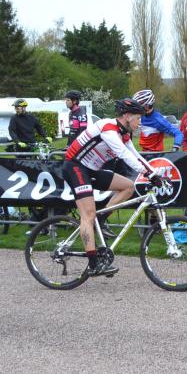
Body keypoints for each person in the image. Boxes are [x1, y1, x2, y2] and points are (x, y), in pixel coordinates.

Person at [63, 98, 165, 277]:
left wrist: (154, 173)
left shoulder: (124, 134)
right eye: (138, 118)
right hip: (75, 167)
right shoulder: (108, 128)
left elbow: (136, 155)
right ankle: (93, 264)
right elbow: (123, 154)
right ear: (127, 116)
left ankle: (101, 220)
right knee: (88, 215)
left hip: (92, 170)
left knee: (128, 187)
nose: (140, 123)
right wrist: (148, 174)